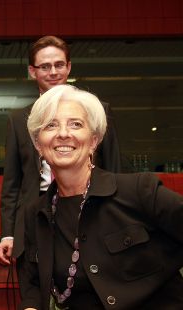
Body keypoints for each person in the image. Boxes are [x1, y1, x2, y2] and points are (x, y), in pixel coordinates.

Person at [19, 84, 183, 309]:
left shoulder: (139, 191)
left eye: (76, 124)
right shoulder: (36, 214)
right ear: (38, 144)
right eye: (51, 125)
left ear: (94, 141)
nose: (63, 133)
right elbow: (33, 284)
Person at [0, 36, 122, 272]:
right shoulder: (18, 120)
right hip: (35, 218)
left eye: (59, 64)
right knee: (35, 292)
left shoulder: (97, 110)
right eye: (45, 66)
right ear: (32, 71)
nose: (53, 72)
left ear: (69, 67)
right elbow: (12, 185)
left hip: (89, 212)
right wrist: (8, 234)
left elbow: (114, 170)